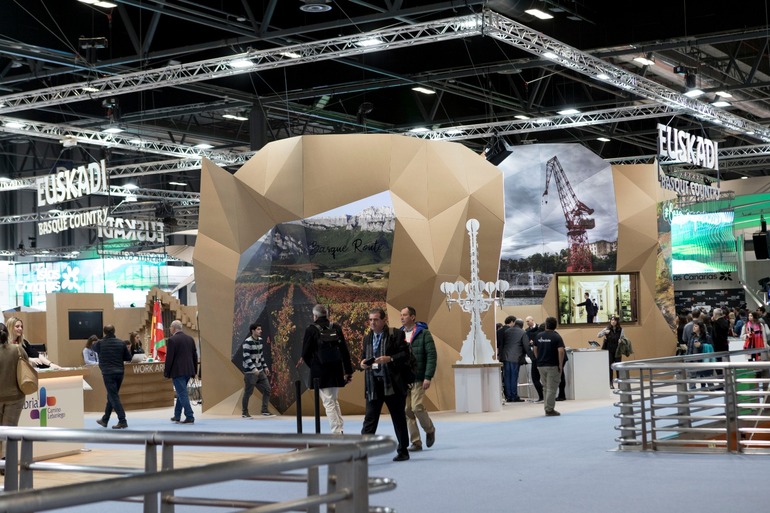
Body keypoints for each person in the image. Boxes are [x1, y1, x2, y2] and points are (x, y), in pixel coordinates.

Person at [360, 307, 411, 462]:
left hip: (392, 384)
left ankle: (403, 450)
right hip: (373, 384)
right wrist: (362, 363)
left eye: (376, 319)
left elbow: (405, 355)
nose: (372, 323)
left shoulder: (395, 334)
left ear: (384, 320)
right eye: (370, 320)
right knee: (369, 420)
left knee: (398, 418)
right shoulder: (367, 338)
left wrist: (390, 359)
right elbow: (363, 357)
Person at [300, 304, 353, 434]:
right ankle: (340, 428)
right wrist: (348, 371)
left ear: (315, 316)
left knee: (328, 402)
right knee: (333, 400)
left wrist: (314, 366)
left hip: (320, 371)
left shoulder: (311, 329)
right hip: (336, 370)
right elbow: (344, 351)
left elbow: (305, 353)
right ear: (327, 314)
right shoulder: (336, 327)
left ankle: (337, 431)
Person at [400, 306, 437, 451]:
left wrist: (428, 377)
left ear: (413, 317)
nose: (402, 317)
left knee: (416, 407)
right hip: (404, 379)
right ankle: (416, 442)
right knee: (407, 410)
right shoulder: (399, 334)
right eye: (401, 315)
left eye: (404, 315)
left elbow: (431, 356)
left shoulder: (424, 333)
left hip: (419, 377)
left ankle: (430, 429)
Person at [93, 325, 132, 429]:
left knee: (113, 396)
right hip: (120, 372)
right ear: (114, 331)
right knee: (111, 395)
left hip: (108, 373)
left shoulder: (100, 344)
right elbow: (128, 357)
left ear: (104, 332)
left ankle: (122, 420)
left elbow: (93, 347)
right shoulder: (121, 343)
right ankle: (105, 420)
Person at [0, 322, 27, 468]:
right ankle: (7, 463)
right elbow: (26, 365)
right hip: (15, 397)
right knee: (9, 431)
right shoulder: (17, 349)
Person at [164, 320, 198, 424]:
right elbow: (195, 356)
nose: (170, 329)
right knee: (181, 392)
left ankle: (189, 415)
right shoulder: (190, 339)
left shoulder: (172, 340)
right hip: (189, 370)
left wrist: (166, 372)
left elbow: (169, 358)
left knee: (182, 393)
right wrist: (194, 371)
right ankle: (177, 415)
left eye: (170, 327)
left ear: (174, 328)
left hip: (178, 371)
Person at [533, 316, 565, 417]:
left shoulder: (539, 336)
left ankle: (547, 407)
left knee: (545, 387)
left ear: (546, 325)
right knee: (552, 388)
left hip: (541, 365)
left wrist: (538, 359)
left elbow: (535, 349)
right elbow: (561, 351)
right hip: (552, 365)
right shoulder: (556, 337)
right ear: (555, 325)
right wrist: (560, 364)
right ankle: (549, 409)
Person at [242, 322, 273, 417]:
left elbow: (261, 356)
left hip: (260, 370)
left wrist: (265, 367)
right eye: (258, 329)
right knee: (248, 392)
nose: (260, 331)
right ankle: (244, 412)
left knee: (267, 389)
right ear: (253, 331)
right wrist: (253, 368)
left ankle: (264, 410)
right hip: (250, 372)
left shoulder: (260, 340)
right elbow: (246, 357)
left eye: (260, 329)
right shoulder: (247, 342)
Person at [497, 316, 529, 403]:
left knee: (507, 377)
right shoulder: (523, 332)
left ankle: (508, 396)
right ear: (522, 325)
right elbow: (526, 346)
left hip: (506, 356)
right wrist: (532, 357)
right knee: (514, 377)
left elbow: (502, 344)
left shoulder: (507, 331)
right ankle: (514, 396)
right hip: (516, 357)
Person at [597, 315, 623, 388]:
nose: (613, 321)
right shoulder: (607, 328)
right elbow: (598, 335)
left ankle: (619, 382)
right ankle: (610, 383)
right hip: (609, 349)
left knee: (618, 366)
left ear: (617, 321)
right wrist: (604, 332)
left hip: (617, 350)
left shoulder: (620, 329)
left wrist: (621, 340)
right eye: (612, 320)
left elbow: (623, 338)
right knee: (610, 367)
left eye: (614, 320)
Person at [524, 316, 544, 402]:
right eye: (526, 321)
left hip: (537, 358)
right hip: (543, 359)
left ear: (532, 320)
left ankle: (543, 396)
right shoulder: (527, 331)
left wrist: (534, 357)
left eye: (528, 321)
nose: (527, 323)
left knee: (535, 378)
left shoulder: (537, 333)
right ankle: (545, 396)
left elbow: (535, 348)